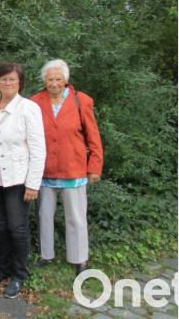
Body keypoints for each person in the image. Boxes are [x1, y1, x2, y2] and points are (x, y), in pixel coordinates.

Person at [0, 63, 45, 299]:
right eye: (4, 79)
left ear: (20, 83)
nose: (8, 83)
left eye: (13, 80)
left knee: (17, 228)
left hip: (17, 179)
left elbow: (38, 148)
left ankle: (19, 274)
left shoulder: (28, 108)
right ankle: (1, 268)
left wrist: (33, 183)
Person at [30, 59, 104, 275]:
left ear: (66, 80)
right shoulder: (35, 102)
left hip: (74, 167)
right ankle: (46, 254)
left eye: (58, 79)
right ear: (44, 80)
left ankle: (80, 258)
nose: (54, 83)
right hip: (44, 170)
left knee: (76, 216)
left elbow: (93, 135)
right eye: (50, 79)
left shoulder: (81, 100)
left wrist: (95, 165)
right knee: (44, 214)